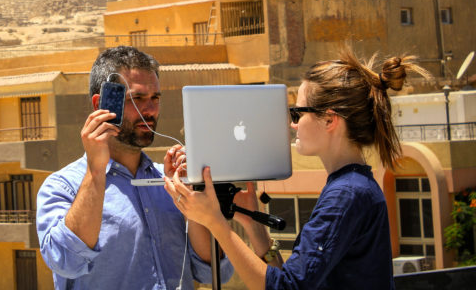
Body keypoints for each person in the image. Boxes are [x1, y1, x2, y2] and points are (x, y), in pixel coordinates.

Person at [165, 49, 429, 289]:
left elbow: (287, 288)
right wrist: (254, 225)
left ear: (329, 119)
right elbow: (293, 280)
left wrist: (216, 223)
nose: (293, 124)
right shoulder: (351, 187)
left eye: (298, 113)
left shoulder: (347, 194)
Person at [36, 46, 228, 289]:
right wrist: (96, 171)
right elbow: (66, 262)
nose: (150, 111)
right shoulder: (62, 187)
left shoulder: (169, 181)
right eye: (136, 99)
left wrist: (189, 197)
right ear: (101, 104)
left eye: (155, 98)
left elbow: (214, 272)